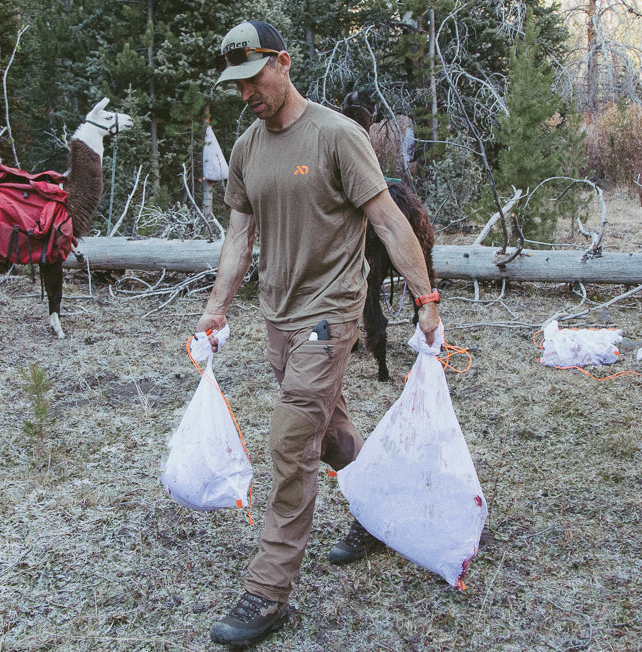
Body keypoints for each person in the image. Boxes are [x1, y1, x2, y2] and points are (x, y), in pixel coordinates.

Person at [198, 20, 441, 646]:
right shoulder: (249, 147)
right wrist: (217, 305)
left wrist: (425, 298)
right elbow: (237, 237)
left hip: (330, 316)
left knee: (289, 443)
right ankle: (378, 511)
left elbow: (387, 221)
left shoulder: (337, 135)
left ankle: (267, 591)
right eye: (237, 85)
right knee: (328, 431)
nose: (246, 92)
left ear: (282, 61)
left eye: (254, 79)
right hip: (278, 318)